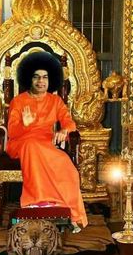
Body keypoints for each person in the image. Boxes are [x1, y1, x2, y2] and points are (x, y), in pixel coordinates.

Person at [6, 51, 88, 232]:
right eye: (36, 77)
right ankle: (36, 203)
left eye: (45, 77)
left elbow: (69, 122)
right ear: (29, 78)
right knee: (32, 146)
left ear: (50, 80)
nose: (41, 81)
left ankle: (66, 211)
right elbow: (12, 132)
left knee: (67, 166)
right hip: (22, 142)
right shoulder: (18, 101)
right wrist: (25, 125)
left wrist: (64, 130)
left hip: (45, 142)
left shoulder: (55, 100)